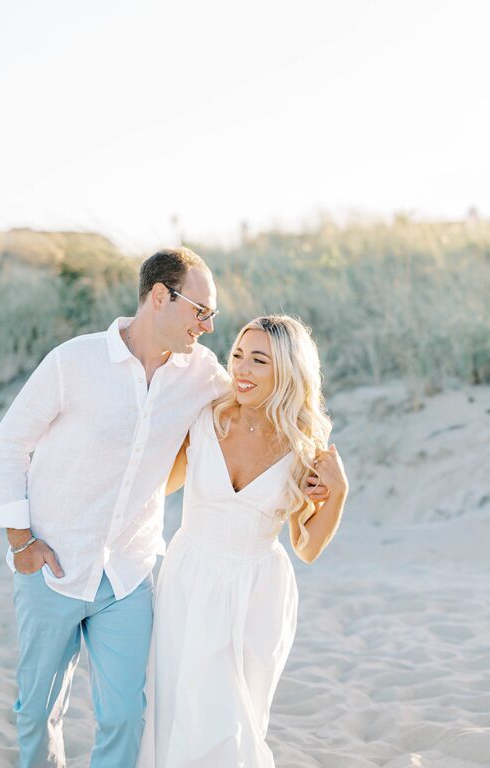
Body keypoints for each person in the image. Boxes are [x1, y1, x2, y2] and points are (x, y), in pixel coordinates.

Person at [0, 248, 232, 768]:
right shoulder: (74, 361)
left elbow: (257, 404)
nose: (208, 326)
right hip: (50, 567)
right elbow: (11, 441)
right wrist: (20, 541)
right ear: (160, 296)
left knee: (124, 716)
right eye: (201, 311)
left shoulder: (202, 375)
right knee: (37, 712)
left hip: (127, 576)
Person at [137, 314, 349, 768]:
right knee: (174, 707)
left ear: (287, 371)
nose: (241, 369)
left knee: (234, 720)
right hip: (189, 578)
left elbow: (307, 547)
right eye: (237, 355)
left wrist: (337, 494)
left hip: (257, 592)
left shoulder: (304, 446)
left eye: (259, 360)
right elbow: (159, 483)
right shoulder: (206, 416)